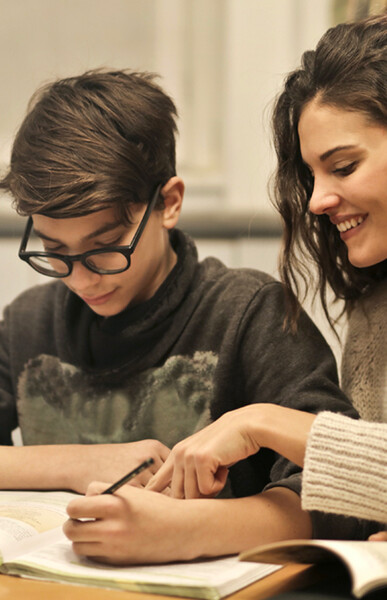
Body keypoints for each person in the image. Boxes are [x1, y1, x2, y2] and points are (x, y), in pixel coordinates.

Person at [0, 68, 371, 567]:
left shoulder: (250, 312)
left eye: (106, 248)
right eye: (54, 249)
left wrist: (191, 530)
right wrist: (80, 462)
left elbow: (347, 492)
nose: (83, 278)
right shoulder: (27, 321)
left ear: (169, 203)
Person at [145, 13, 387, 537]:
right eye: (311, 175)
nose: (319, 200)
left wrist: (263, 422)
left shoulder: (248, 308)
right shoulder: (373, 313)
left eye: (343, 167)